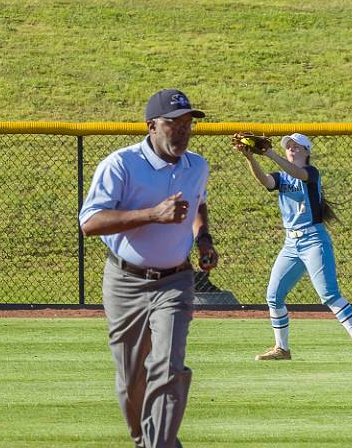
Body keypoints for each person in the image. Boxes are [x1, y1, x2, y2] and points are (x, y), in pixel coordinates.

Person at [79, 89, 218, 448]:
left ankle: (160, 445)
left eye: (188, 124)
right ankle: (145, 440)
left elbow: (197, 203)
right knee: (131, 379)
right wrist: (151, 214)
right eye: (174, 124)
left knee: (169, 369)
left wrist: (203, 239)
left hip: (176, 281)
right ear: (151, 126)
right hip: (125, 281)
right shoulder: (121, 164)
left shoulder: (197, 165)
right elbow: (90, 222)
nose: (183, 131)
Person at [233, 133, 352, 363]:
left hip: (313, 240)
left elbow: (297, 173)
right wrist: (250, 158)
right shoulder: (282, 177)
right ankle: (282, 348)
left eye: (295, 145)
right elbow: (266, 181)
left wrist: (269, 153)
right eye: (288, 145)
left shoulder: (311, 172)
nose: (290, 147)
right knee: (274, 295)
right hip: (291, 244)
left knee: (329, 295)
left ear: (307, 151)